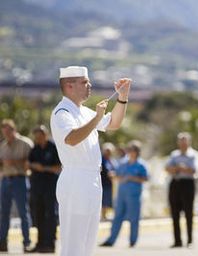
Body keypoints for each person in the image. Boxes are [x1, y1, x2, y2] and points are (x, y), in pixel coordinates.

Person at [50, 66, 131, 256]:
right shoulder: (62, 112)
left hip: (92, 180)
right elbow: (71, 139)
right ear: (69, 86)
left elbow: (114, 123)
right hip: (75, 179)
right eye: (84, 82)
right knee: (74, 243)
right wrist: (97, 118)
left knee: (87, 244)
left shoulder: (84, 112)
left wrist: (122, 97)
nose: (90, 85)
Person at [100, 140, 148, 247]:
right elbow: (116, 174)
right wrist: (114, 176)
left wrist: (133, 178)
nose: (129, 152)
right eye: (129, 149)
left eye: (132, 150)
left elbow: (145, 178)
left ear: (137, 152)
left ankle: (132, 241)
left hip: (134, 195)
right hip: (121, 195)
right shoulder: (122, 163)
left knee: (134, 218)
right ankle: (111, 240)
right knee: (117, 217)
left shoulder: (141, 165)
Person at [0, 119, 33, 253]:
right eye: (4, 131)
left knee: (23, 212)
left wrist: (14, 161)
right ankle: (2, 242)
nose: (6, 133)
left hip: (20, 180)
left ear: (14, 129)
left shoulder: (25, 143)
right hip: (5, 180)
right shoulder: (2, 146)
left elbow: (31, 162)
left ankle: (26, 242)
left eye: (9, 130)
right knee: (4, 213)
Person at [27, 125, 61, 253]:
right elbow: (28, 163)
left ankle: (50, 243)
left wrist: (44, 168)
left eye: (40, 136)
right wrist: (32, 165)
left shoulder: (53, 148)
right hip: (37, 186)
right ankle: (40, 243)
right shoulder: (35, 149)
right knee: (38, 214)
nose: (38, 139)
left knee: (51, 215)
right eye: (36, 137)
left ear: (45, 135)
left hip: (50, 186)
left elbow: (59, 167)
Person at [165, 132, 198, 248]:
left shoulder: (194, 154)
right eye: (181, 141)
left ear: (188, 142)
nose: (182, 144)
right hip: (175, 184)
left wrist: (179, 168)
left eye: (184, 141)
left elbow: (193, 170)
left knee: (188, 213)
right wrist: (180, 168)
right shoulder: (174, 154)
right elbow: (167, 168)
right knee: (174, 214)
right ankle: (177, 241)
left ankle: (190, 240)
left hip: (188, 185)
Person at [101, 142, 116, 221]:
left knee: (107, 199)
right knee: (103, 199)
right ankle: (102, 215)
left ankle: (105, 215)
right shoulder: (101, 159)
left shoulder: (111, 160)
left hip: (109, 183)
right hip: (102, 182)